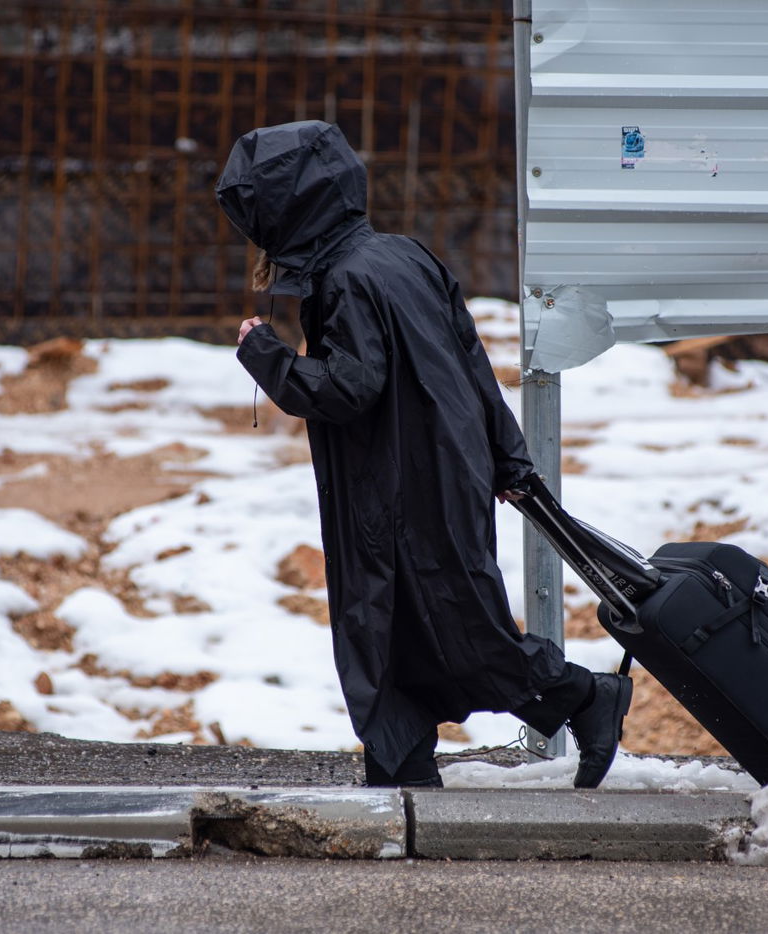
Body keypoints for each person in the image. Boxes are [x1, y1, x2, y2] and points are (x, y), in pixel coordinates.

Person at [216, 120, 631, 788]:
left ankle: (583, 698)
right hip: (441, 470)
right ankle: (402, 772)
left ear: (285, 211)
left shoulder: (344, 280)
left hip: (400, 486)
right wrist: (507, 456)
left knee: (441, 628)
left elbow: (349, 388)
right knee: (402, 630)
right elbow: (471, 360)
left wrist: (264, 354)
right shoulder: (404, 255)